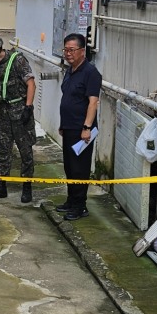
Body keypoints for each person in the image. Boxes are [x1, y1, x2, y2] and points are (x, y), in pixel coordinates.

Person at [0, 33, 36, 205]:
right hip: (4, 111)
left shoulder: (17, 60)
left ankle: (27, 187)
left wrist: (28, 107)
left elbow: (31, 83)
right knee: (2, 150)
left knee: (25, 151)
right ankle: (1, 186)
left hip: (20, 110)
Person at [57, 32, 102, 221]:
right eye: (66, 50)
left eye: (72, 50)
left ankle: (80, 206)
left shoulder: (91, 73)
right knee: (69, 166)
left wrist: (86, 127)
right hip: (69, 127)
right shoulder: (70, 70)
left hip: (82, 130)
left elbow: (93, 103)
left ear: (82, 51)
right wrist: (62, 124)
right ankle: (71, 200)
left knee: (79, 169)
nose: (68, 54)